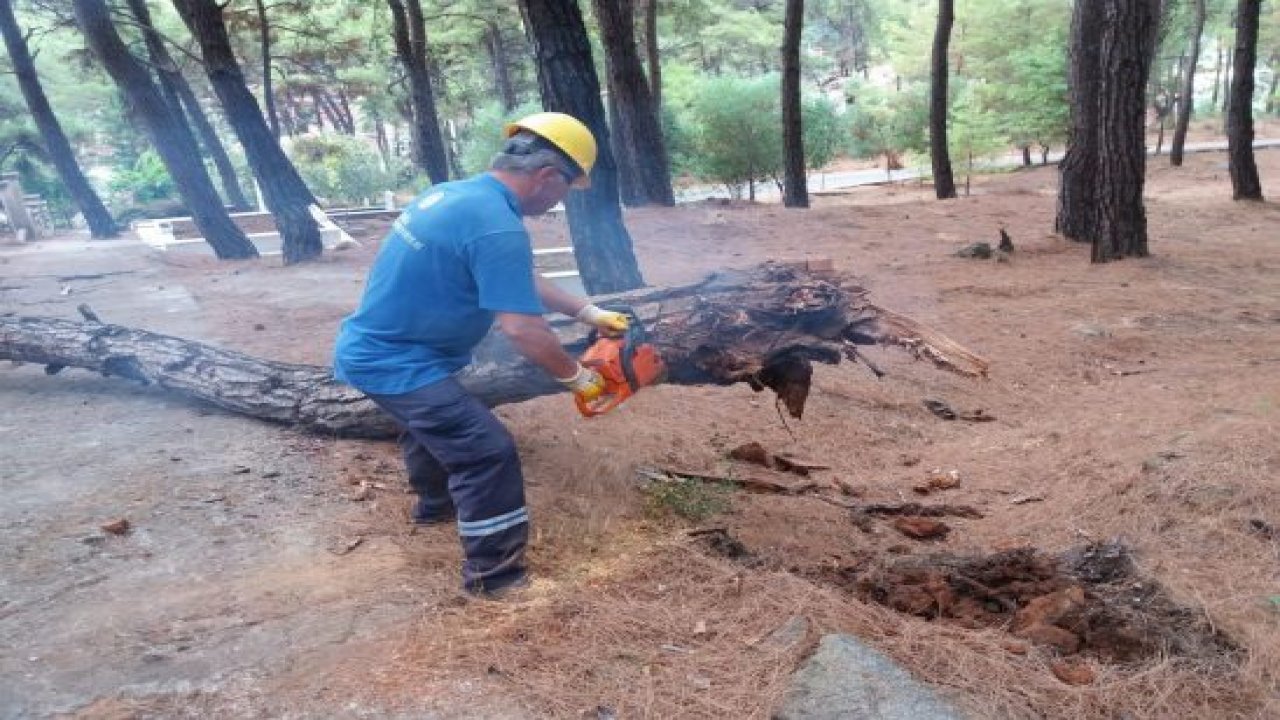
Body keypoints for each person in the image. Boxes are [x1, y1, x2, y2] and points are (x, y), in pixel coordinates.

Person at [333, 112, 630, 599]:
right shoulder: (497, 225)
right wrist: (576, 377)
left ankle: (435, 506)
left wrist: (587, 312)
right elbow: (521, 328)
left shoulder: (457, 195)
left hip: (388, 350)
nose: (559, 202)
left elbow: (509, 276)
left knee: (433, 425)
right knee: (485, 451)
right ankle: (495, 579)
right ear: (548, 177)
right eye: (565, 189)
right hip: (397, 362)